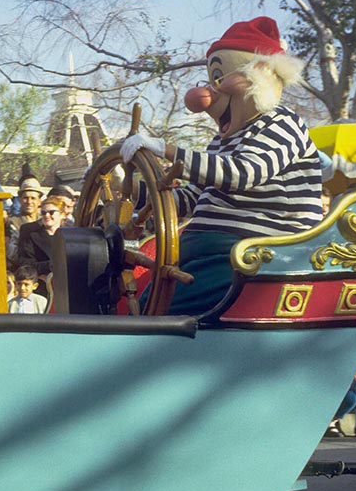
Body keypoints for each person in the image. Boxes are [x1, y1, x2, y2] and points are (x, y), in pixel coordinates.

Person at [121, 16, 322, 316]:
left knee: (158, 314)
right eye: (210, 81)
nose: (204, 98)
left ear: (261, 75)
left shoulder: (283, 123)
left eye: (219, 79)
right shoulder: (221, 141)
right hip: (202, 255)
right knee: (139, 306)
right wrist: (127, 188)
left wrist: (166, 150)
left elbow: (244, 173)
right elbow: (189, 199)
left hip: (254, 256)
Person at [13, 195, 65, 299]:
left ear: (62, 214)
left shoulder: (70, 235)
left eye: (51, 212)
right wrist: (51, 265)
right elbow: (25, 263)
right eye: (43, 212)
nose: (47, 215)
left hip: (65, 286)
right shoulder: (30, 234)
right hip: (42, 287)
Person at [6, 177, 45, 264]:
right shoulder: (13, 222)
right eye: (25, 198)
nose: (29, 201)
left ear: (39, 201)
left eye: (33, 198)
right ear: (20, 200)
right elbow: (11, 253)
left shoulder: (45, 221)